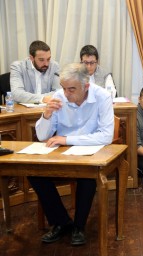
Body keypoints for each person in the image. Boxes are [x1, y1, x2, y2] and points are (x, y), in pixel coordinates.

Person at [27, 63, 114, 246]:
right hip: (61, 154)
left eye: (72, 89)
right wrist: (47, 115)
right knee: (34, 173)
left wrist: (67, 139)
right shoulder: (59, 97)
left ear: (86, 86)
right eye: (64, 88)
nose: (66, 94)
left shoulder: (102, 96)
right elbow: (43, 136)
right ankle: (61, 222)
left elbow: (106, 136)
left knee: (87, 176)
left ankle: (79, 227)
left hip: (88, 153)